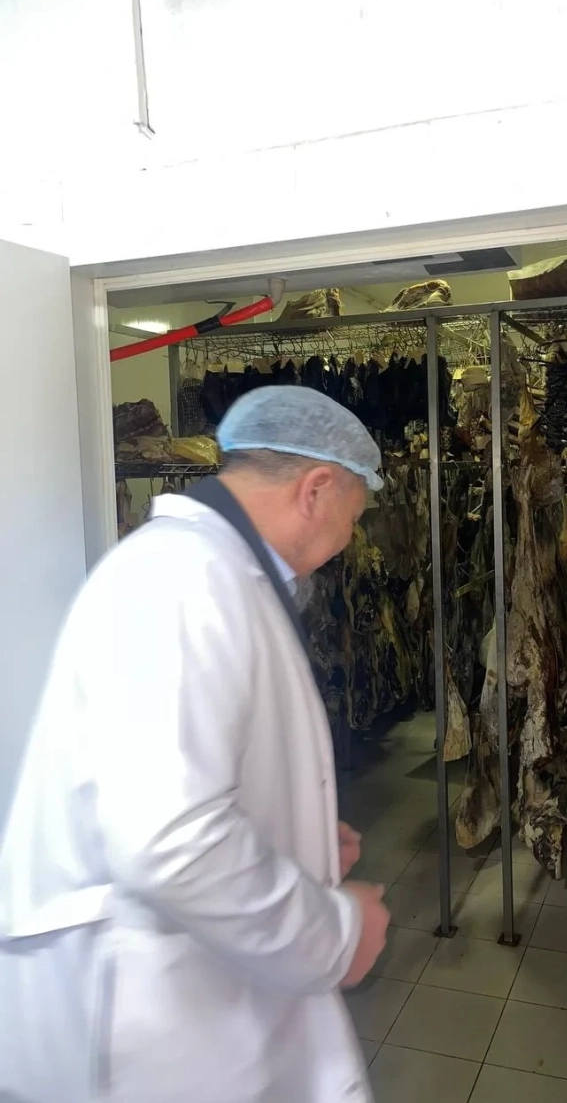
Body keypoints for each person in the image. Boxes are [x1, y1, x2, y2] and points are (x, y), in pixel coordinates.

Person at [0, 386, 390, 1103]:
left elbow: (189, 780)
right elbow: (168, 838)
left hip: (187, 1006)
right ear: (315, 490)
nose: (349, 540)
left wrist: (294, 833)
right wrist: (336, 936)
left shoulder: (218, 574)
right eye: (354, 517)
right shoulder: (178, 579)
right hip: (140, 1024)